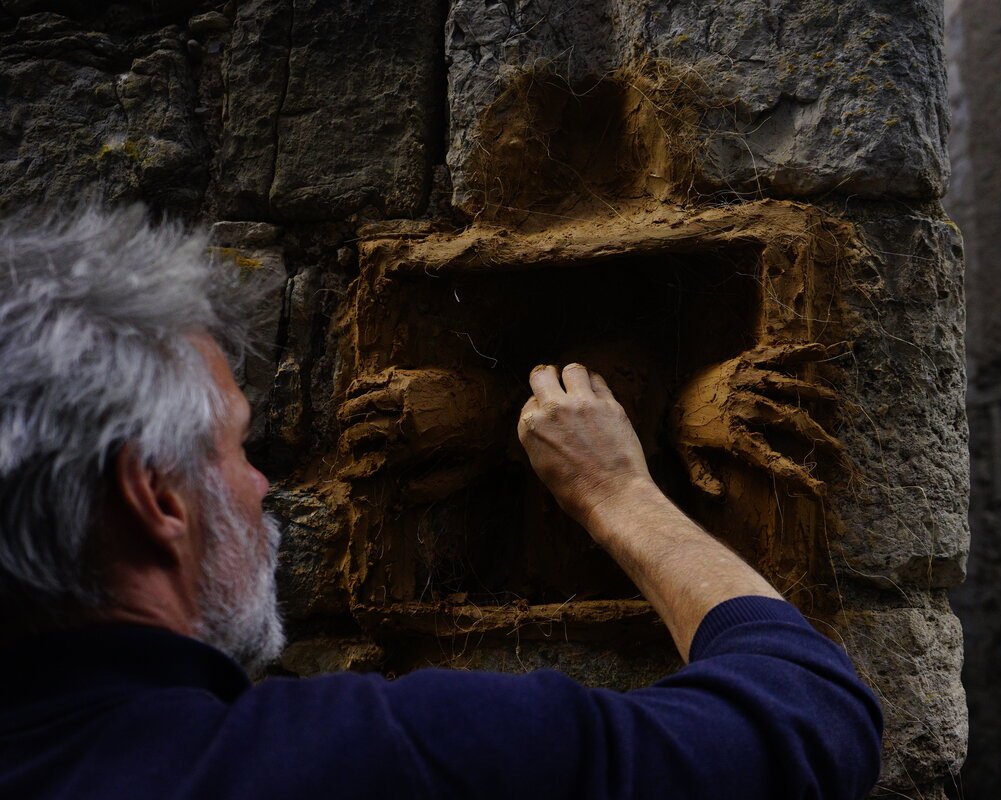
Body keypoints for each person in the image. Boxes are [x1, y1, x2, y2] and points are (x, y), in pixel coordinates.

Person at [0, 205, 882, 799]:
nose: (262, 482)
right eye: (236, 445)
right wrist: (618, 493)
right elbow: (809, 723)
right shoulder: (370, 760)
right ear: (154, 496)